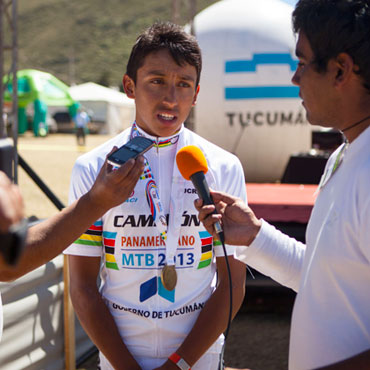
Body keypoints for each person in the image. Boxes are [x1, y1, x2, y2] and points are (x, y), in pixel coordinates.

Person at [196, 1, 370, 369]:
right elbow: (326, 279)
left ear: (340, 70)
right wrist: (256, 236)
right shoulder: (344, 157)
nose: (295, 78)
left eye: (303, 63)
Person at [63, 22, 246, 370]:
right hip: (120, 356)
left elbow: (232, 283)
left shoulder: (223, 166)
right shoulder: (93, 168)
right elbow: (83, 287)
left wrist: (178, 364)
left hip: (198, 359)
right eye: (157, 81)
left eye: (183, 85)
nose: (170, 98)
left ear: (196, 93)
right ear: (130, 86)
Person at [0, 154, 145, 340]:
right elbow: (8, 264)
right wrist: (96, 202)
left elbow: (8, 264)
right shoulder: (87, 166)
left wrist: (96, 202)